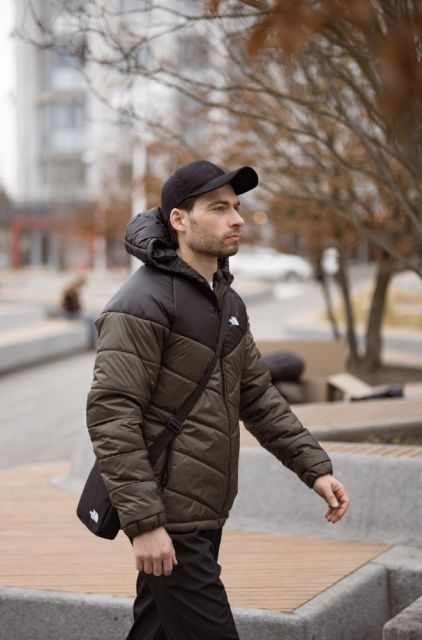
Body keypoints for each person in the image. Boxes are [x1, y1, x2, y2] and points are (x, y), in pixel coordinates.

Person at [86, 160, 350, 640]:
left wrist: (315, 468)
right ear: (179, 220)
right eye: (219, 208)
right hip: (168, 516)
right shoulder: (141, 302)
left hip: (204, 509)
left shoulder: (227, 302)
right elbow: (112, 415)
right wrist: (144, 524)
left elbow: (258, 396)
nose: (237, 219)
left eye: (236, 207)